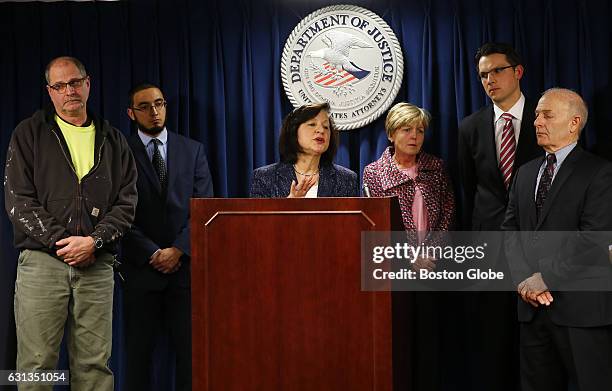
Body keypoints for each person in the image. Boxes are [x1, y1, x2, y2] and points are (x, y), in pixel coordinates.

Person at [4, 56, 137, 390]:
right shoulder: (29, 134)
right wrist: (64, 243)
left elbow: (127, 203)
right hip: (42, 264)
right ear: (50, 92)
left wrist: (94, 242)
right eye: (60, 86)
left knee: (94, 366)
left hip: (98, 264)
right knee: (35, 366)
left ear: (87, 84)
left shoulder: (114, 140)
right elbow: (19, 199)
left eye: (75, 82)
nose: (69, 91)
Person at [502, 88, 612, 391]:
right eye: (537, 114)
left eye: (547, 114)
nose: (537, 121)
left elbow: (593, 239)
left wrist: (545, 277)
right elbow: (509, 232)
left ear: (574, 122)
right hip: (532, 310)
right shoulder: (524, 173)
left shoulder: (600, 172)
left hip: (581, 312)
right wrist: (525, 279)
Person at [456, 43, 543, 390]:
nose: (489, 80)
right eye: (483, 75)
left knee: (538, 340)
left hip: (539, 244)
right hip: (489, 247)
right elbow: (470, 186)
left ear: (517, 72)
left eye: (497, 71)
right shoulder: (469, 127)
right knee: (492, 340)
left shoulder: (547, 115)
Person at [121, 83, 214, 391]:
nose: (155, 111)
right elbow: (117, 212)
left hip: (184, 272)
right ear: (131, 113)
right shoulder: (118, 153)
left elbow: (203, 210)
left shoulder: (193, 149)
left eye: (159, 103)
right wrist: (152, 252)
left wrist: (177, 250)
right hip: (140, 270)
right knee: (138, 358)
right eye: (145, 106)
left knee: (191, 357)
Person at [362, 102, 454, 238]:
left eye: (420, 130)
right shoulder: (374, 172)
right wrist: (408, 256)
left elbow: (448, 213)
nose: (414, 136)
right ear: (391, 135)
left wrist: (432, 251)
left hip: (433, 255)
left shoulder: (436, 167)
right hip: (394, 255)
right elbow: (375, 222)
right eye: (407, 130)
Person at [250, 102, 358, 197]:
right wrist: (287, 207)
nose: (321, 130)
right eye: (312, 124)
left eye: (326, 127)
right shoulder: (264, 178)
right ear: (293, 132)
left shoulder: (346, 179)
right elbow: (257, 220)